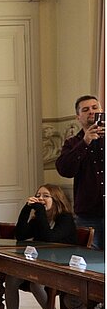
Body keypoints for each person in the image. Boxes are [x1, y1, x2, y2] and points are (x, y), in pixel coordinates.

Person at [2, 184, 77, 309]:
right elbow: (20, 235)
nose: (40, 199)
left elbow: (49, 238)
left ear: (56, 200)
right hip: (40, 265)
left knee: (36, 284)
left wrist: (40, 212)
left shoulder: (65, 219)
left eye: (45, 196)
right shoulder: (38, 220)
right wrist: (26, 209)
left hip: (62, 268)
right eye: (38, 195)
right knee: (11, 278)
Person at [55, 95, 104, 250]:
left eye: (95, 108)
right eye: (86, 109)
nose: (91, 112)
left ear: (101, 111)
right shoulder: (72, 143)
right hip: (88, 215)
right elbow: (65, 170)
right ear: (78, 117)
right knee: (88, 259)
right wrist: (85, 142)